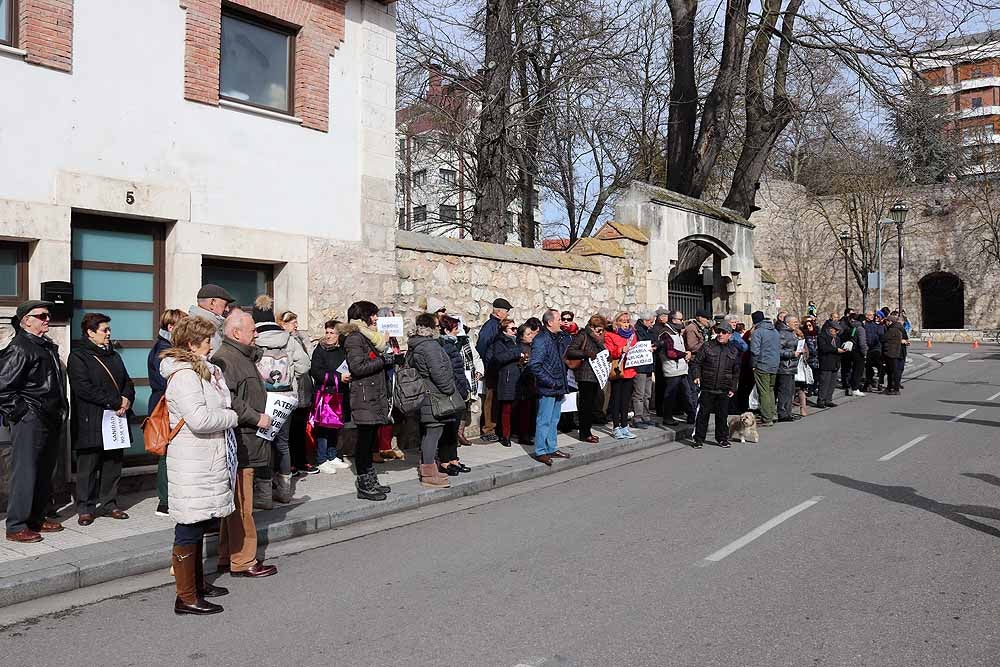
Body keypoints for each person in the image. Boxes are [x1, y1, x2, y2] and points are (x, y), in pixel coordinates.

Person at [160, 316, 241, 615]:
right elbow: (200, 419)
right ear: (192, 343)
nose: (212, 344)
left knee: (198, 522)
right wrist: (232, 417)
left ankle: (198, 584)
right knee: (189, 525)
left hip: (204, 457)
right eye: (207, 340)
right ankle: (186, 596)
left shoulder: (201, 371)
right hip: (192, 459)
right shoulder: (184, 375)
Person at [211, 310, 278, 578]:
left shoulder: (240, 355)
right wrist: (256, 417)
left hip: (249, 439)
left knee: (237, 505)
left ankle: (228, 556)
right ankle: (244, 560)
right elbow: (229, 399)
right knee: (242, 505)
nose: (257, 334)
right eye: (252, 330)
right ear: (236, 332)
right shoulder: (226, 359)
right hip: (241, 441)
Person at [1, 300, 68, 543]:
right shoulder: (21, 347)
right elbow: (3, 387)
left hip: (49, 418)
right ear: (26, 320)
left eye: (48, 315)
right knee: (25, 473)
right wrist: (23, 413)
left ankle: (36, 517)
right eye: (41, 316)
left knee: (42, 472)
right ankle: (16, 525)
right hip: (31, 419)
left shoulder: (45, 346)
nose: (47, 319)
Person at [67, 313, 135, 525]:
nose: (108, 334)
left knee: (113, 463)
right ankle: (85, 508)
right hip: (92, 420)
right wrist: (115, 402)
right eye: (104, 330)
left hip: (115, 419)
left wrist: (126, 399)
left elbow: (127, 382)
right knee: (88, 466)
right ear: (90, 333)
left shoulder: (114, 355)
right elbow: (83, 388)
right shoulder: (78, 356)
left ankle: (109, 503)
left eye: (108, 330)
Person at [251, 296, 310, 503]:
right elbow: (304, 366)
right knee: (283, 444)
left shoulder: (253, 339)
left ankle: (264, 495)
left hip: (261, 399)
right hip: (285, 398)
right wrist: (291, 375)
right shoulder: (289, 339)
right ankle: (284, 491)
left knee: (263, 444)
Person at [343, 301, 394, 501]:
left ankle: (371, 480)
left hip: (373, 395)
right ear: (364, 315)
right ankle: (365, 485)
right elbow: (357, 367)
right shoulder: (355, 338)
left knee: (370, 439)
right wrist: (384, 360)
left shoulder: (367, 336)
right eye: (373, 315)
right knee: (364, 442)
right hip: (364, 396)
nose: (376, 318)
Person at [407, 313, 456, 488]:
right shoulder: (429, 347)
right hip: (434, 395)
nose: (439, 328)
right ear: (430, 327)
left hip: (424, 393)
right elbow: (438, 372)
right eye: (436, 325)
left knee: (430, 433)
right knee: (433, 433)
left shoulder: (416, 345)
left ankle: (430, 468)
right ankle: (428, 474)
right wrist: (450, 389)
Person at [148, 308, 185, 516]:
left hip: (164, 403)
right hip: (164, 406)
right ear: (171, 327)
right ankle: (165, 500)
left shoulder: (167, 347)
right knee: (166, 452)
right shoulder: (164, 350)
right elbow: (168, 382)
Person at [527, 309, 572, 465]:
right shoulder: (541, 340)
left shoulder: (557, 337)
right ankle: (540, 450)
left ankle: (551, 447)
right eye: (559, 319)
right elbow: (535, 365)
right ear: (550, 322)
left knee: (554, 419)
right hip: (549, 386)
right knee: (544, 419)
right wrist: (550, 382)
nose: (562, 322)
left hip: (559, 384)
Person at [278, 309, 319, 475]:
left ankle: (301, 461)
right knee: (290, 430)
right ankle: (292, 463)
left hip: (305, 389)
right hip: (292, 390)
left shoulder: (300, 339)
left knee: (301, 428)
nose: (296, 325)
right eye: (292, 322)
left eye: (296, 321)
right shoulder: (282, 341)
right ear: (283, 324)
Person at [689, 321, 741, 449]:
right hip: (707, 386)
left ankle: (722, 438)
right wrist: (696, 376)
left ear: (729, 334)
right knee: (702, 415)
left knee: (722, 416)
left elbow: (736, 371)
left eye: (724, 332)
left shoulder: (734, 350)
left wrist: (733, 387)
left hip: (724, 388)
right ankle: (698, 439)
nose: (721, 334)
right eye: (719, 332)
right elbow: (697, 363)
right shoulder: (707, 346)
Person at [309, 320, 352, 473]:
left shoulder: (343, 349)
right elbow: (316, 372)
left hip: (341, 394)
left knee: (336, 426)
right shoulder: (320, 350)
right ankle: (321, 459)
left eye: (332, 333)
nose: (328, 336)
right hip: (325, 394)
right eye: (327, 332)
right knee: (324, 428)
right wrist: (338, 378)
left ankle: (332, 455)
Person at [437, 315, 473, 475]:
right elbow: (452, 372)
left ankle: (453, 459)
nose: (458, 330)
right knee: (448, 429)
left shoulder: (452, 344)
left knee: (453, 428)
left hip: (458, 390)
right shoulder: (445, 346)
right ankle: (445, 461)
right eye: (455, 328)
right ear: (446, 330)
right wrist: (461, 388)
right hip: (452, 392)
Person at [475, 297, 513, 442]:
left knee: (496, 399)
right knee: (490, 399)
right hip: (492, 368)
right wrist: (486, 365)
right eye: (506, 311)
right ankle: (488, 430)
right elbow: (482, 347)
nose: (507, 314)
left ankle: (493, 427)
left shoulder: (496, 325)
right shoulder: (491, 326)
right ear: (498, 311)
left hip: (497, 368)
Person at [565, 314, 607, 444]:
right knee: (585, 405)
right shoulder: (583, 335)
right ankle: (584, 433)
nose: (600, 332)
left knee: (592, 404)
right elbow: (571, 351)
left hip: (596, 375)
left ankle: (588, 431)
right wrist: (585, 354)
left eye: (602, 329)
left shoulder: (598, 337)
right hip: (584, 375)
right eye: (598, 329)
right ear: (592, 327)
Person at [373, 306, 406, 463]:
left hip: (393, 377)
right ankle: (379, 448)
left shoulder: (392, 338)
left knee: (391, 412)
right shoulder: (378, 338)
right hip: (383, 378)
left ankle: (387, 446)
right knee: (382, 411)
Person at [657, 310, 695, 426]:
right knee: (671, 395)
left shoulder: (676, 332)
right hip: (672, 368)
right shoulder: (666, 333)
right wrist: (685, 354)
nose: (682, 322)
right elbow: (670, 352)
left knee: (686, 393)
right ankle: (667, 417)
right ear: (673, 320)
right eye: (680, 319)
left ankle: (691, 415)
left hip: (681, 367)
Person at [604, 312, 638, 440]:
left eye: (627, 321)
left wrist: (646, 350)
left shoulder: (633, 335)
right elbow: (609, 351)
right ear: (616, 322)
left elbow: (636, 349)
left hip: (630, 370)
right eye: (623, 321)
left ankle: (625, 426)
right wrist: (620, 350)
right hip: (618, 371)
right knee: (616, 400)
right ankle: (616, 427)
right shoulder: (610, 335)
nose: (626, 324)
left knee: (625, 401)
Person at [490, 319, 522, 447]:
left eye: (516, 328)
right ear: (504, 330)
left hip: (518, 377)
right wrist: (516, 353)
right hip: (507, 378)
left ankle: (513, 432)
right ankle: (505, 435)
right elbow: (499, 357)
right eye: (512, 329)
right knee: (506, 408)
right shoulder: (500, 341)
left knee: (515, 407)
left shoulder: (517, 340)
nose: (515, 331)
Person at [749, 310, 780, 426]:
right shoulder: (775, 331)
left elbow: (754, 351)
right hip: (774, 364)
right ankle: (772, 413)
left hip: (762, 364)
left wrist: (753, 365)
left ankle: (767, 417)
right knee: (771, 389)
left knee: (764, 391)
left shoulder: (758, 332)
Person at [188, 284, 236, 355]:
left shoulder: (191, 322)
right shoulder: (201, 326)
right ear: (212, 302)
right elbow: (214, 357)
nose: (227, 309)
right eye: (225, 305)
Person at [514, 321, 542, 445]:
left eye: (532, 333)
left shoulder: (531, 347)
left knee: (531, 410)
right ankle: (523, 435)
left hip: (532, 383)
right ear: (521, 336)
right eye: (528, 334)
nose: (531, 336)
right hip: (524, 383)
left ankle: (530, 433)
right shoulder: (520, 348)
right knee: (524, 411)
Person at [774, 315, 802, 423]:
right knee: (784, 391)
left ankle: (788, 412)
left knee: (790, 391)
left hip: (791, 366)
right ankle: (783, 413)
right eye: (794, 322)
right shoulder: (782, 334)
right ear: (787, 323)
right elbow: (778, 351)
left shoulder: (791, 333)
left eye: (797, 322)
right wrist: (792, 354)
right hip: (784, 367)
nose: (797, 324)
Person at [632, 311, 657, 428]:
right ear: (645, 321)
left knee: (647, 394)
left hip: (648, 365)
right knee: (639, 394)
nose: (652, 324)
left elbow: (653, 340)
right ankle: (637, 418)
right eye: (651, 322)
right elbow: (640, 344)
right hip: (640, 366)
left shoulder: (648, 330)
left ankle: (646, 416)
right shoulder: (637, 330)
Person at [816, 321, 846, 407]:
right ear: (830, 329)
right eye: (835, 330)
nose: (836, 332)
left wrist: (843, 349)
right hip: (826, 362)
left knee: (832, 383)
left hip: (835, 363)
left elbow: (838, 347)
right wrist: (836, 350)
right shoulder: (822, 337)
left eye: (838, 331)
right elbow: (824, 348)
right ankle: (821, 400)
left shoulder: (837, 338)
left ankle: (828, 399)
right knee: (824, 382)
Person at [650, 308, 671, 416]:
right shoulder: (655, 329)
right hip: (659, 359)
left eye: (666, 316)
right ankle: (660, 409)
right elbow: (655, 343)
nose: (665, 318)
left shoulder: (667, 328)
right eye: (663, 316)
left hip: (666, 359)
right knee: (660, 385)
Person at [862, 311, 885, 392]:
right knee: (868, 367)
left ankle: (880, 383)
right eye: (870, 315)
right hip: (869, 349)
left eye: (873, 315)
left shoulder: (877, 325)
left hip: (877, 348)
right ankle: (868, 383)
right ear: (866, 316)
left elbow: (881, 336)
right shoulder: (864, 325)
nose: (873, 316)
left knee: (880, 366)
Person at [882, 316, 905, 395]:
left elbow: (883, 338)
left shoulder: (892, 330)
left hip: (891, 353)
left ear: (890, 321)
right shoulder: (898, 328)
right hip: (895, 352)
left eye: (887, 321)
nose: (886, 323)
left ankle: (894, 388)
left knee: (892, 372)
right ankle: (891, 387)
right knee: (892, 372)